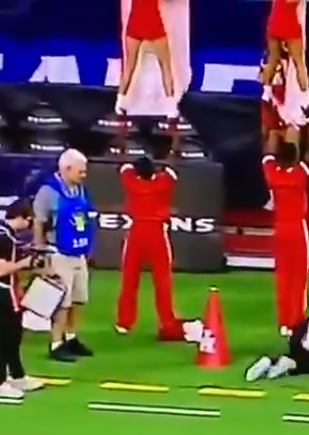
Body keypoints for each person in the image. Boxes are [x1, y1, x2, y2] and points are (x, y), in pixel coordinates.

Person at [116, 134, 190, 340]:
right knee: (163, 281)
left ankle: (124, 322)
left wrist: (123, 135)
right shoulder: (163, 182)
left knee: (129, 279)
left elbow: (123, 163)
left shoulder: (131, 182)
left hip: (136, 233)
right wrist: (175, 143)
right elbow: (172, 164)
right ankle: (166, 320)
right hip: (157, 233)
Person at [0, 199, 45, 399]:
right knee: (6, 338)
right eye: (29, 221)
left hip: (7, 291)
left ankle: (17, 376)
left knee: (14, 334)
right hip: (0, 293)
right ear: (23, 217)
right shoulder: (3, 238)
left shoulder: (3, 233)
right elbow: (1, 269)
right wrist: (26, 262)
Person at [33, 149, 96, 363]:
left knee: (79, 299)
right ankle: (56, 343)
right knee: (62, 302)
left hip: (79, 253)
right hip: (59, 253)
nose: (83, 175)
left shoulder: (80, 190)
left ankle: (71, 337)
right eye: (80, 171)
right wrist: (40, 253)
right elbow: (39, 222)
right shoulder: (48, 192)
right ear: (67, 169)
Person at [262, 134, 309, 335]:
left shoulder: (272, 173)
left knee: (282, 277)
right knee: (299, 277)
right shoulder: (300, 174)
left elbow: (267, 153)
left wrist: (276, 129)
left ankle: (283, 322)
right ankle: (295, 321)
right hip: (297, 229)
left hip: (279, 229)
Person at [119, 0, 178, 115]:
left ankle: (119, 104)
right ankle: (171, 109)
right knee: (165, 66)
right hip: (153, 23)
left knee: (129, 67)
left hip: (135, 22)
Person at [260, 0, 309, 115]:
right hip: (289, 25)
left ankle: (266, 93)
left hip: (275, 22)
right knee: (299, 63)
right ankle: (305, 100)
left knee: (272, 60)